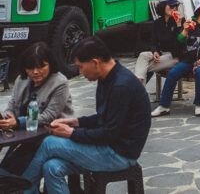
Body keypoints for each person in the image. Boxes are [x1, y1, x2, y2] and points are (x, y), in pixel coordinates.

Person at [20, 37, 151, 194]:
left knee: (49, 143)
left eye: (81, 67)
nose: (80, 72)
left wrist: (70, 133)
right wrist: (74, 122)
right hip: (108, 148)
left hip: (119, 154)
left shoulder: (120, 86)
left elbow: (108, 134)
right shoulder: (107, 78)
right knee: (51, 167)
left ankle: (24, 189)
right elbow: (104, 117)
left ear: (95, 62)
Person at [0, 43, 73, 175]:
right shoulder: (21, 80)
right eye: (30, 68)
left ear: (50, 64)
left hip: (49, 135)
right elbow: (12, 105)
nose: (35, 72)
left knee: (16, 172)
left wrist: (18, 122)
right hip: (24, 135)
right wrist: (6, 118)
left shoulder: (59, 83)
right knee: (6, 168)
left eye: (41, 66)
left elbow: (48, 116)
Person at [151, 0, 200, 117]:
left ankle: (198, 104)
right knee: (173, 73)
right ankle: (164, 106)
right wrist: (185, 31)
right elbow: (179, 43)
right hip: (188, 59)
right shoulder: (190, 23)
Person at [133, 0, 186, 85]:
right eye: (171, 5)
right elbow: (153, 43)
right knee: (143, 55)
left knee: (143, 67)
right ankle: (139, 90)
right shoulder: (157, 23)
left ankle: (137, 91)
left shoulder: (181, 21)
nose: (174, 8)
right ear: (163, 6)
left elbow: (179, 46)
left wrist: (178, 25)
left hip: (174, 56)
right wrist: (155, 52)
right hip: (161, 54)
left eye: (176, 6)